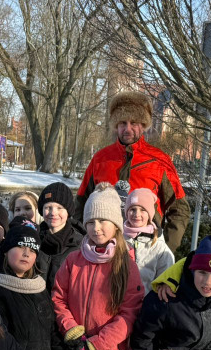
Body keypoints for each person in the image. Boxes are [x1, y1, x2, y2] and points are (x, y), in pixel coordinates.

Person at [52, 183, 145, 350]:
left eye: (103, 220)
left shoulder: (126, 266)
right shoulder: (73, 261)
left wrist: (97, 344)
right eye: (91, 221)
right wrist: (72, 331)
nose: (97, 228)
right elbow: (59, 298)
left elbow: (129, 313)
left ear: (116, 224)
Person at [75, 91, 190, 249]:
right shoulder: (100, 159)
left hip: (146, 250)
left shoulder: (159, 160)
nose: (128, 129)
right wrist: (83, 242)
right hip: (104, 248)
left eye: (134, 123)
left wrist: (166, 249)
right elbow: (80, 204)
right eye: (122, 123)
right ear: (116, 125)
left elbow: (180, 209)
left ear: (143, 125)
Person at [123, 188, 174, 290]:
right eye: (132, 209)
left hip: (146, 302)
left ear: (150, 214)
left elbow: (166, 280)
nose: (137, 214)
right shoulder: (118, 239)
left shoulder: (159, 247)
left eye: (143, 210)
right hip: (119, 303)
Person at [37, 182, 84, 289]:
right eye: (48, 207)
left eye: (59, 208)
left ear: (68, 212)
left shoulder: (80, 245)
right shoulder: (34, 240)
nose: (53, 213)